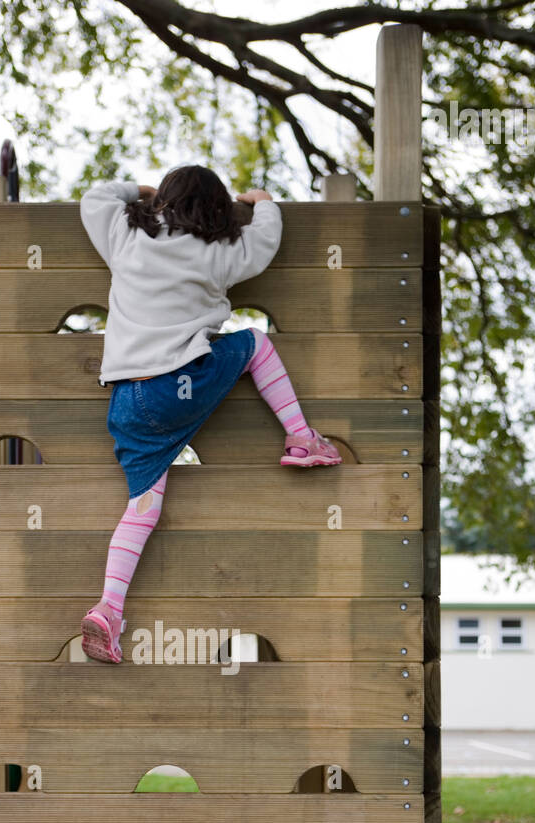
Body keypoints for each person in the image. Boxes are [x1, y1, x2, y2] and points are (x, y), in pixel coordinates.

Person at [78, 164, 341, 663]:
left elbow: (95, 198)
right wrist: (263, 203)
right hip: (180, 386)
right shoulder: (218, 251)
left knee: (143, 508)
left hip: (126, 404)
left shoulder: (127, 236)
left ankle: (110, 608)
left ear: (162, 205)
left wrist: (140, 190)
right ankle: (301, 438)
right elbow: (264, 245)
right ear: (219, 210)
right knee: (255, 344)